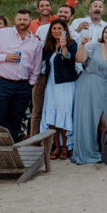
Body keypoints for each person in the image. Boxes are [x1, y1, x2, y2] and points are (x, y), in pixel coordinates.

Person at [0, 9, 43, 141]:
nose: (22, 22)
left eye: (25, 19)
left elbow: (37, 65)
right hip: (1, 82)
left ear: (30, 21)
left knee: (16, 117)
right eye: (19, 19)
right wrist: (5, 57)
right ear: (15, 20)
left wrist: (30, 83)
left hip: (22, 85)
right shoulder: (1, 33)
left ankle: (12, 146)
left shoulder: (35, 42)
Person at [71, 24, 107, 164]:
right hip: (88, 84)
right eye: (106, 32)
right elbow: (79, 59)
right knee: (87, 119)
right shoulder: (94, 46)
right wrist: (82, 45)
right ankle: (88, 152)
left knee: (106, 121)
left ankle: (105, 151)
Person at [40, 19, 78, 159]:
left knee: (64, 113)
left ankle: (65, 146)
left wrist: (63, 47)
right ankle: (56, 146)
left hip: (66, 84)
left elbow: (70, 59)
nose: (56, 31)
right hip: (51, 84)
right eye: (54, 28)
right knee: (52, 116)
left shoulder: (72, 44)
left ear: (65, 30)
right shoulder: (48, 46)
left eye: (59, 28)